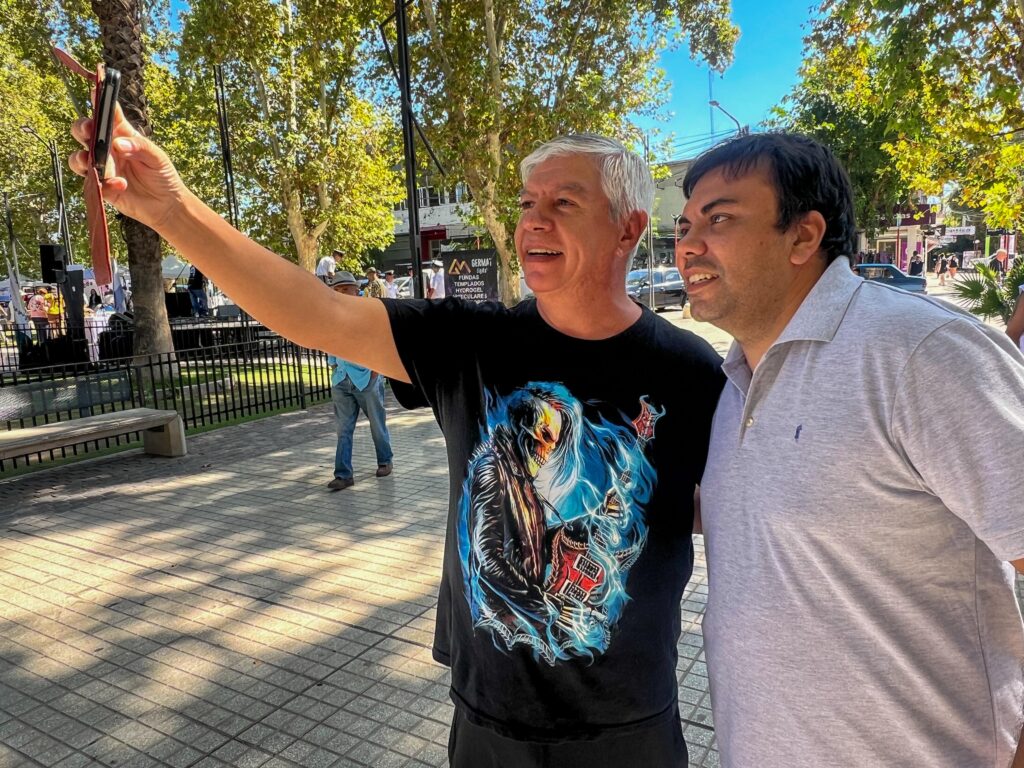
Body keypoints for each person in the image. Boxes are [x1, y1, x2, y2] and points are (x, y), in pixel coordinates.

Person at [68, 112, 725, 766]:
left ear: (628, 228)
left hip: (630, 723)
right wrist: (173, 211)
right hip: (491, 718)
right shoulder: (469, 343)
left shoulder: (692, 372)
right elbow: (317, 312)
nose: (534, 221)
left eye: (564, 203)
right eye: (528, 203)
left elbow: (723, 509)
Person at [675, 131, 1024, 768]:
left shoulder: (921, 353)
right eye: (684, 224)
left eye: (719, 219)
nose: (687, 245)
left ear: (804, 236)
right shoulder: (735, 380)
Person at [324, 271, 393, 490]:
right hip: (341, 378)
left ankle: (385, 460)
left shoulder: (368, 312)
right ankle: (343, 474)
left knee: (376, 423)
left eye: (346, 289)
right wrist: (333, 365)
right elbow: (328, 341)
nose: (342, 293)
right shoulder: (331, 315)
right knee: (343, 429)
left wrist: (375, 371)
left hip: (366, 378)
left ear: (356, 290)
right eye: (338, 290)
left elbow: (381, 341)